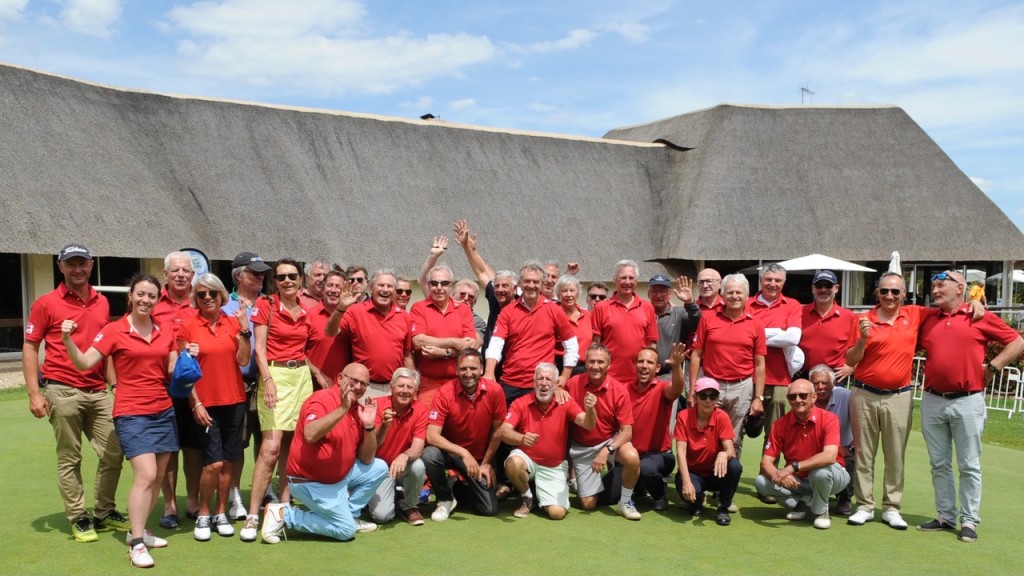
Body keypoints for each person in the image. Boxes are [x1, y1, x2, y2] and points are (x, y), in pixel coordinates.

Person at [842, 272, 983, 530]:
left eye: (895, 292)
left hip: (899, 395)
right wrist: (863, 338)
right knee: (864, 454)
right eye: (884, 291)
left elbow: (950, 307)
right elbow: (851, 360)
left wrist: (974, 302)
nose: (889, 296)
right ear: (877, 293)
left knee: (895, 455)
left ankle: (892, 508)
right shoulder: (863, 319)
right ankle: (864, 505)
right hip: (864, 394)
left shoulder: (917, 314)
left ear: (903, 294)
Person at [63, 274, 178, 568]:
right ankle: (137, 544)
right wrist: (66, 339)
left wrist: (189, 357)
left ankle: (137, 532)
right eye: (141, 294)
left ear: (157, 300)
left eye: (151, 296)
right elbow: (86, 362)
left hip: (163, 410)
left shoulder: (165, 330)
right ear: (130, 295)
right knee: (147, 474)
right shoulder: (113, 330)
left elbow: (172, 368)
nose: (145, 300)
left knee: (160, 474)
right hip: (131, 412)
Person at [23, 243, 128, 542]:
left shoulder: (102, 302)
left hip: (97, 391)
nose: (77, 269)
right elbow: (31, 347)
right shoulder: (45, 303)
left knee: (114, 451)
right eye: (71, 264)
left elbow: (104, 349)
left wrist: (115, 385)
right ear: (61, 267)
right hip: (62, 390)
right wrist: (34, 393)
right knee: (70, 458)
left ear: (91, 265)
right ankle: (78, 516)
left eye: (82, 263)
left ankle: (104, 512)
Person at [917, 270, 1024, 542]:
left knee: (969, 464)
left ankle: (969, 521)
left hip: (968, 400)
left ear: (960, 287)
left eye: (942, 285)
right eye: (934, 285)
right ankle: (945, 516)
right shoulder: (929, 318)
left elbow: (1017, 340)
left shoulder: (979, 315)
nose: (936, 289)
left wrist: (995, 366)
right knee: (939, 463)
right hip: (932, 400)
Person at [240, 258, 328, 542]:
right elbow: (260, 351)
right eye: (281, 277)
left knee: (292, 447)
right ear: (274, 281)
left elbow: (308, 348)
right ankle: (253, 514)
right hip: (275, 377)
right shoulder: (266, 306)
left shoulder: (307, 311)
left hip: (301, 378)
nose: (287, 281)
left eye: (292, 276)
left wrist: (317, 373)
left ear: (300, 279)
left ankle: (281, 509)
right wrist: (267, 380)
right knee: (271, 448)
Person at [259, 364, 388, 544]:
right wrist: (342, 409)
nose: (358, 387)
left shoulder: (357, 409)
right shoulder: (320, 399)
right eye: (354, 381)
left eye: (364, 384)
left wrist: (368, 427)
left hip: (339, 478)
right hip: (310, 482)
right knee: (345, 531)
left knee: (379, 468)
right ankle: (284, 515)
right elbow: (310, 434)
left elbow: (367, 459)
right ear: (340, 378)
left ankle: (349, 514)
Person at [176, 274, 251, 541]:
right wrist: (195, 403)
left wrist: (244, 330)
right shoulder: (187, 327)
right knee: (213, 463)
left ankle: (221, 512)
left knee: (229, 462)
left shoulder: (233, 324)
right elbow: (185, 373)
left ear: (221, 296)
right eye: (201, 294)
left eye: (212, 293)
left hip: (234, 401)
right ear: (195, 298)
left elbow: (243, 361)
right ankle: (204, 513)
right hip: (205, 404)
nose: (207, 298)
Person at [499, 363, 597, 520]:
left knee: (557, 514)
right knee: (513, 463)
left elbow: (588, 424)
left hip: (553, 466)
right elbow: (503, 431)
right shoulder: (521, 403)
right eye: (540, 378)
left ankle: (538, 494)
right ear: (534, 382)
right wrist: (521, 438)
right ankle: (527, 497)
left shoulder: (566, 402)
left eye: (548, 379)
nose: (544, 383)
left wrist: (591, 409)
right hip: (527, 459)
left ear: (555, 383)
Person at [422, 349, 506, 520]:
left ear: (482, 369)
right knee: (430, 454)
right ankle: (445, 497)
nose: (468, 374)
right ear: (456, 369)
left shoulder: (495, 391)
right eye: (463, 369)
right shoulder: (444, 392)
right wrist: (463, 453)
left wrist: (487, 463)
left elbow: (498, 432)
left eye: (473, 368)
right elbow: (431, 436)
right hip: (453, 454)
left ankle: (456, 487)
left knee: (488, 509)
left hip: (480, 458)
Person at [689, 274, 766, 459]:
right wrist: (692, 389)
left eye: (739, 292)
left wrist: (759, 397)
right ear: (722, 295)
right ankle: (705, 476)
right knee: (706, 433)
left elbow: (760, 363)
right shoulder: (708, 319)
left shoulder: (756, 324)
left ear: (747, 296)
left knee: (735, 438)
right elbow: (696, 354)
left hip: (742, 386)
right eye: (729, 292)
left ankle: (726, 484)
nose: (734, 296)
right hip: (711, 384)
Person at [755, 379, 849, 530]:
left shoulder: (829, 419)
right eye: (793, 397)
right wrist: (778, 475)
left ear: (813, 397)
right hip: (799, 481)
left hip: (834, 475)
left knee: (820, 473)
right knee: (761, 482)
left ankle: (821, 512)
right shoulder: (780, 424)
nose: (798, 400)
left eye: (803, 395)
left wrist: (792, 468)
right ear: (788, 400)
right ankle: (806, 502)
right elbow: (766, 461)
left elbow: (830, 456)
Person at [220, 251, 271, 521]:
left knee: (266, 441)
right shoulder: (223, 305)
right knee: (236, 444)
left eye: (262, 272)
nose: (261, 276)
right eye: (255, 273)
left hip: (264, 381)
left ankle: (265, 490)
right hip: (234, 383)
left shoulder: (269, 303)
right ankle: (234, 495)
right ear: (239, 276)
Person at [564, 344, 641, 520]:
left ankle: (626, 501)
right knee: (588, 505)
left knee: (631, 456)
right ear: (585, 363)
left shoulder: (619, 390)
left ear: (609, 365)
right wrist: (560, 389)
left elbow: (627, 431)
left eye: (600, 362)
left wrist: (606, 451)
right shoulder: (573, 384)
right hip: (583, 447)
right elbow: (559, 395)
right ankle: (610, 477)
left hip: (608, 441)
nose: (595, 366)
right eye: (591, 361)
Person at [485, 261, 579, 404]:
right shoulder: (508, 312)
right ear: (520, 284)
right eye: (527, 281)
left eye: (535, 281)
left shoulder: (554, 310)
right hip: (510, 382)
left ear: (541, 284)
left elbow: (571, 345)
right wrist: (489, 373)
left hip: (540, 384)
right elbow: (496, 344)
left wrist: (564, 377)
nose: (531, 285)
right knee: (503, 426)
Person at [152, 251, 199, 529]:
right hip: (160, 387)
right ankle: (169, 505)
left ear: (193, 275)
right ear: (165, 274)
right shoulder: (151, 302)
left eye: (186, 270)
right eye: (175, 270)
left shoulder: (203, 300)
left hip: (196, 388)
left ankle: (192, 501)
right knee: (167, 450)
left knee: (193, 448)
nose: (181, 274)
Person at [747, 263, 802, 475]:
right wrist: (778, 333)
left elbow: (793, 337)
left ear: (784, 282)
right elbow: (743, 335)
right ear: (761, 281)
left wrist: (757, 333)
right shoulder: (746, 303)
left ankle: (767, 479)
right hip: (746, 377)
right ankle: (725, 485)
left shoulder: (792, 305)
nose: (773, 284)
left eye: (777, 280)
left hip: (780, 379)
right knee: (736, 432)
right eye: (768, 279)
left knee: (774, 435)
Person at [327, 269, 414, 399]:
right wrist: (341, 307)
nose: (385, 289)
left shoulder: (404, 317)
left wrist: (412, 384)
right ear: (371, 288)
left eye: (390, 286)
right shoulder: (355, 312)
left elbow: (407, 355)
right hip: (364, 389)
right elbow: (330, 331)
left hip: (394, 388)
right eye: (381, 285)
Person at [673, 377, 741, 526]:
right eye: (703, 396)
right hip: (693, 473)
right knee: (692, 500)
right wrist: (686, 482)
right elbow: (681, 452)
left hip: (715, 473)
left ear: (717, 399)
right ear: (695, 397)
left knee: (735, 466)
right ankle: (697, 499)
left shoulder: (722, 417)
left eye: (713, 396)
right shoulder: (684, 416)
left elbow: (730, 450)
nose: (708, 400)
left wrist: (724, 454)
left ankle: (723, 507)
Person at [627, 345, 687, 511]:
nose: (644, 366)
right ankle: (638, 485)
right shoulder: (625, 389)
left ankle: (660, 495)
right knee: (608, 496)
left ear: (658, 368)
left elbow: (677, 388)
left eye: (650, 362)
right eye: (640, 361)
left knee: (647, 469)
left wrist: (676, 366)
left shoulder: (662, 388)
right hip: (631, 455)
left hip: (659, 455)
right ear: (635, 365)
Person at [367, 368, 429, 526]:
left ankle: (408, 505)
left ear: (415, 391)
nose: (405, 391)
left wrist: (404, 456)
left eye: (410, 387)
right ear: (391, 387)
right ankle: (380, 496)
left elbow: (418, 447)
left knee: (418, 465)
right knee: (382, 517)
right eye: (401, 386)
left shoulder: (421, 410)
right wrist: (384, 426)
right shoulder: (376, 405)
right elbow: (370, 446)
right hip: (378, 467)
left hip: (402, 466)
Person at [410, 264, 479, 406]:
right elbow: (418, 341)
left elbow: (470, 345)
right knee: (426, 425)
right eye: (434, 283)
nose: (439, 287)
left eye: (444, 283)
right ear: (428, 286)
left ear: (451, 286)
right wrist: (454, 342)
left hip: (458, 383)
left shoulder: (463, 309)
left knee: (456, 427)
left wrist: (443, 352)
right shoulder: (419, 308)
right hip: (428, 384)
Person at [452, 219, 517, 356]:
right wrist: (468, 249)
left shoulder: (522, 304)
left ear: (515, 289)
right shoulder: (495, 299)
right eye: (497, 286)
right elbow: (481, 273)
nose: (500, 289)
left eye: (505, 286)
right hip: (491, 367)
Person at [591, 260, 659, 384]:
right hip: (609, 376)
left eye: (631, 278)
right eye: (623, 278)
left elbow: (651, 344)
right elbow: (595, 344)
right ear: (615, 280)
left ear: (636, 281)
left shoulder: (647, 307)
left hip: (639, 377)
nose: (627, 282)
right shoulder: (601, 307)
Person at [809, 364, 855, 515]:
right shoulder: (804, 399)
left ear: (833, 384)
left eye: (825, 383)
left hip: (843, 449)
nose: (820, 387)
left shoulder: (846, 396)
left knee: (851, 457)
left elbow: (862, 425)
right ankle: (808, 493)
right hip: (813, 450)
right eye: (816, 383)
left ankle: (845, 498)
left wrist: (852, 448)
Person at [798, 271, 857, 383]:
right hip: (804, 375)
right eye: (819, 286)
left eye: (828, 285)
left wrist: (852, 367)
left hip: (835, 376)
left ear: (836, 288)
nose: (823, 289)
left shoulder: (850, 317)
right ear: (813, 289)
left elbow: (861, 347)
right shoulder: (799, 313)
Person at [306, 270, 354, 385]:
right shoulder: (308, 315)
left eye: (338, 287)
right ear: (323, 289)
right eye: (330, 285)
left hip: (345, 386)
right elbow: (298, 352)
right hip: (315, 383)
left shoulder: (352, 315)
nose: (333, 290)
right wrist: (318, 373)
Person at [647, 274, 700, 376]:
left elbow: (697, 323)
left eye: (663, 291)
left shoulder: (679, 314)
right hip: (645, 374)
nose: (659, 295)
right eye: (655, 291)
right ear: (648, 294)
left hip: (670, 375)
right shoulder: (642, 314)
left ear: (670, 294)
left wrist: (689, 303)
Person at [554, 274, 592, 375]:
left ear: (578, 293)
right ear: (558, 295)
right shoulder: (553, 315)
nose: (568, 294)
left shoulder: (588, 315)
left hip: (584, 368)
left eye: (572, 290)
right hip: (560, 367)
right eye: (564, 291)